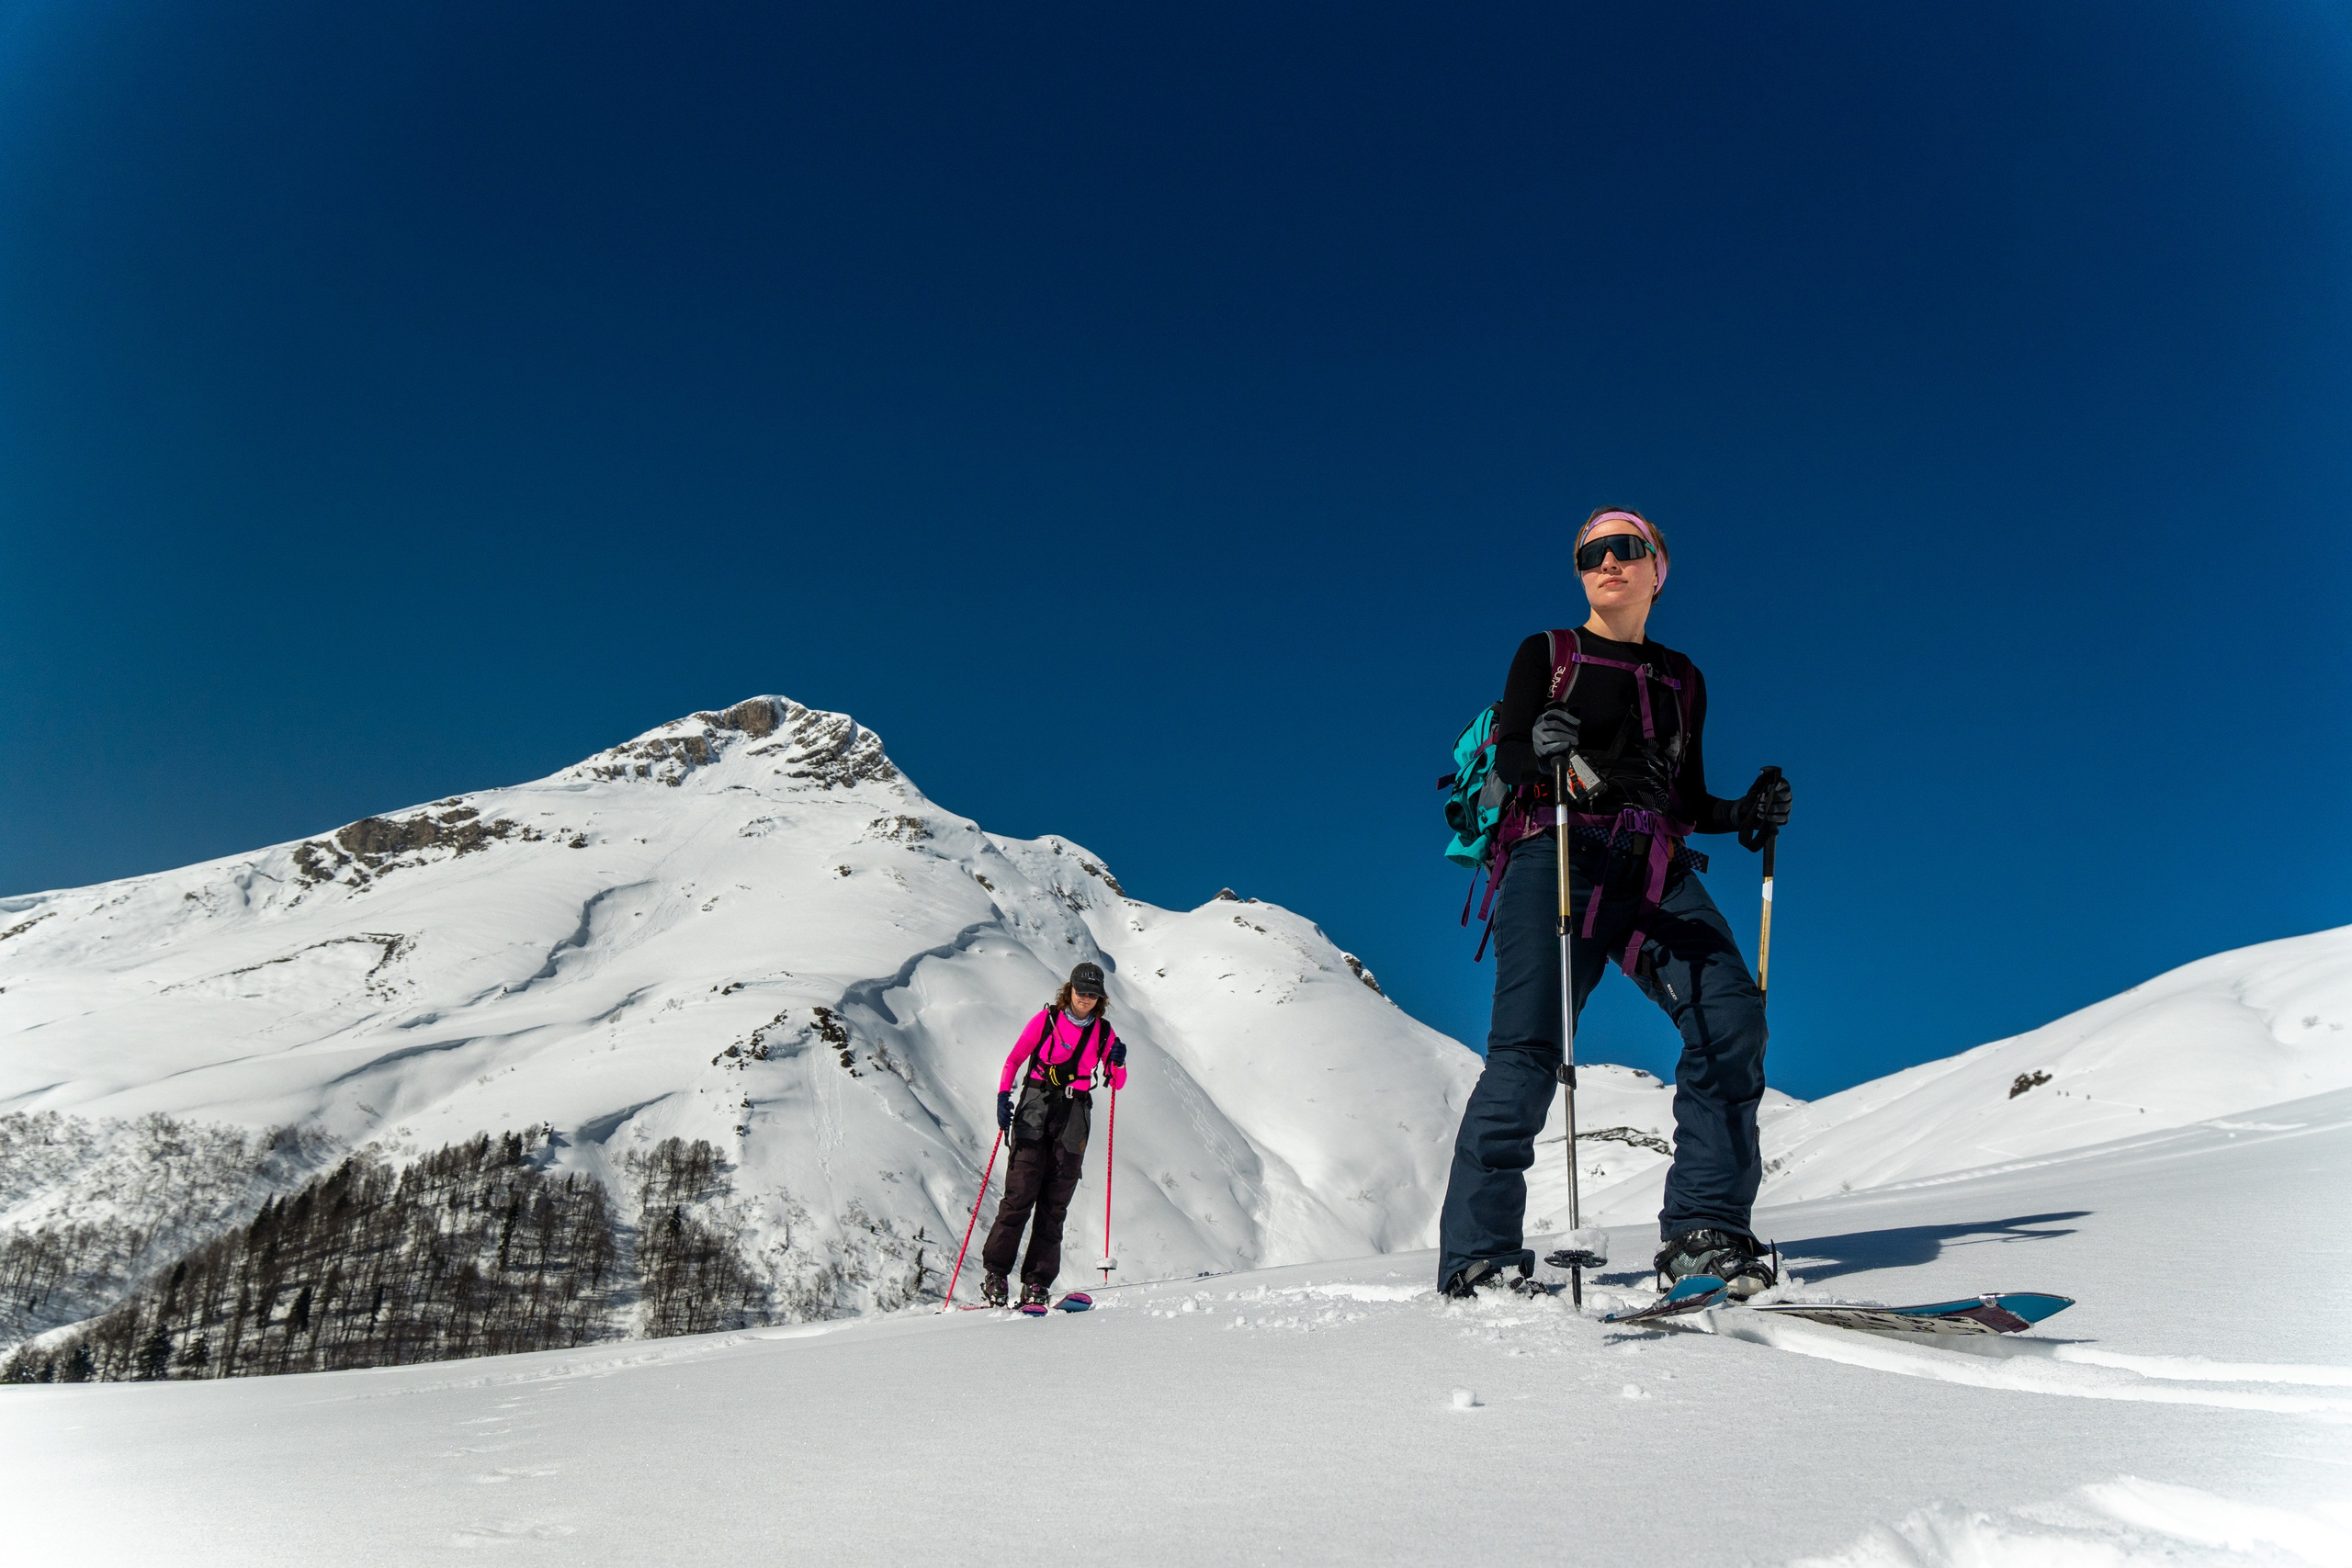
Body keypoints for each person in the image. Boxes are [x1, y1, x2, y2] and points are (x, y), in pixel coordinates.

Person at [1436, 507, 1794, 1301]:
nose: (1607, 562)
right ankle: (1479, 1255)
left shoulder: (1683, 678)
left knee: (1731, 1014)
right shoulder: (1548, 653)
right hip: (1552, 852)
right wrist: (1545, 746)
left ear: (1657, 568)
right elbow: (1512, 753)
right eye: (1590, 552)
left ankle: (1706, 1231)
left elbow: (1688, 796)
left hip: (1653, 868)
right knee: (1528, 1052)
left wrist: (1747, 813)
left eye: (1625, 549)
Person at [980, 961, 1130, 1309]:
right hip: (1035, 1108)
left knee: (1055, 1205)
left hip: (1074, 1115)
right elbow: (1015, 1058)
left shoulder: (1105, 1035)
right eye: (1081, 992)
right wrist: (1004, 1096)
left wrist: (1119, 1061)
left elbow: (1116, 1082)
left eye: (1093, 995)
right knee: (1019, 1196)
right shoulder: (1046, 1021)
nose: (1086, 999)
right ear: (1070, 989)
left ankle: (1037, 1284)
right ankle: (995, 1275)